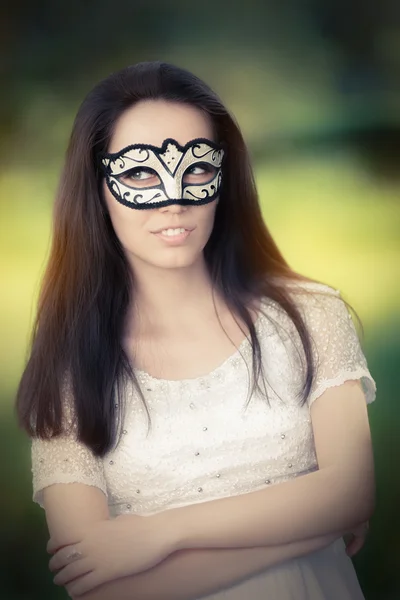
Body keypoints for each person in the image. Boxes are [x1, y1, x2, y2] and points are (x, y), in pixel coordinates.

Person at [16, 61, 376, 600]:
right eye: (138, 173)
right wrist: (311, 526)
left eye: (198, 168)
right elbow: (99, 588)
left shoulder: (311, 318)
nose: (174, 198)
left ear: (223, 175)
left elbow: (350, 494)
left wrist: (160, 534)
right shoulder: (67, 375)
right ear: (96, 186)